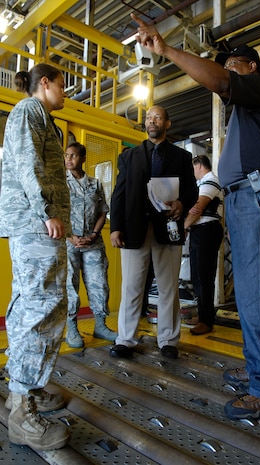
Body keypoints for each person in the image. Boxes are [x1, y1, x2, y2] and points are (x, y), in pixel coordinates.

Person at [131, 14, 260, 420]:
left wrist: (167, 50)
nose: (226, 72)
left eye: (233, 65)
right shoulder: (244, 108)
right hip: (248, 196)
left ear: (251, 67)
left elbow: (223, 82)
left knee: (256, 291)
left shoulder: (259, 86)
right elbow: (224, 86)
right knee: (249, 291)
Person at [0, 64, 71, 449]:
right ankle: (22, 412)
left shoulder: (37, 115)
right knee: (44, 305)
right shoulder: (30, 111)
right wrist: (49, 212)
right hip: (35, 222)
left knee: (29, 303)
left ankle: (24, 388)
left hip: (31, 223)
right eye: (62, 86)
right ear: (45, 83)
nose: (65, 93)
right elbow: (30, 165)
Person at [110, 105, 198, 359]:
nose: (152, 121)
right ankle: (125, 339)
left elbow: (192, 190)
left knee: (168, 285)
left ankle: (168, 340)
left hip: (168, 227)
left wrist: (183, 204)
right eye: (148, 118)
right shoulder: (129, 156)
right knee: (131, 286)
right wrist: (116, 227)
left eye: (157, 117)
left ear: (167, 124)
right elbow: (120, 194)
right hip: (134, 229)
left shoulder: (181, 157)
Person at [64, 142, 117, 348]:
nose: (69, 159)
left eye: (74, 156)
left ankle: (101, 325)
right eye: (67, 155)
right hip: (69, 243)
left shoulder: (95, 184)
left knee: (99, 282)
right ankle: (72, 328)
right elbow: (56, 213)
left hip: (93, 243)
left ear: (83, 158)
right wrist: (70, 236)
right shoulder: (61, 183)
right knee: (70, 284)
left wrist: (94, 234)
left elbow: (103, 211)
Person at [184, 155, 223, 335]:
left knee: (204, 277)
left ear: (199, 165)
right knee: (197, 276)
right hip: (199, 231)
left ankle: (207, 321)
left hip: (207, 230)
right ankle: (202, 315)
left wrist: (183, 226)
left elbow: (198, 208)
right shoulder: (201, 185)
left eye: (192, 168)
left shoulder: (210, 181)